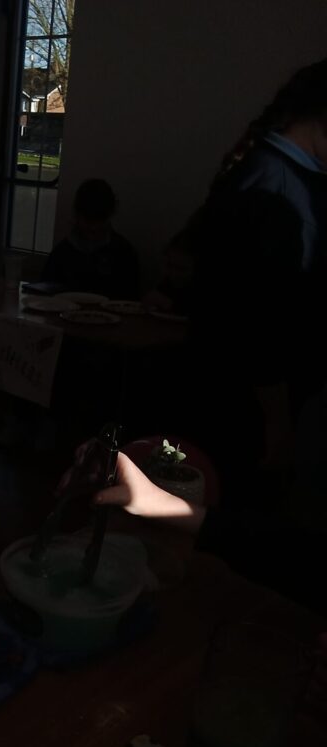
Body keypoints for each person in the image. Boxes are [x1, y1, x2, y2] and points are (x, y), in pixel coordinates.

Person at [181, 58, 327, 495]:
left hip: (250, 397)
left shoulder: (280, 175)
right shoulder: (275, 189)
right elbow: (260, 321)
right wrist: (277, 422)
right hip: (250, 408)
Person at [41, 178, 139, 298]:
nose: (93, 227)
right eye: (88, 220)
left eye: (99, 220)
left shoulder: (124, 253)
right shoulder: (124, 252)